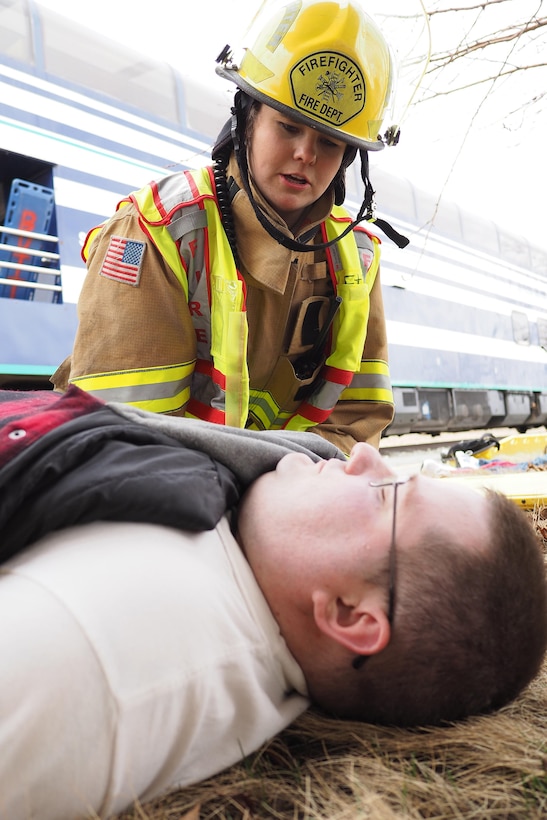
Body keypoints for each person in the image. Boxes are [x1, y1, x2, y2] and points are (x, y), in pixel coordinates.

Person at [0, 385, 546, 820]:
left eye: (390, 493)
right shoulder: (246, 563)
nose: (361, 455)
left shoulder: (99, 652)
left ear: (349, 614)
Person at [51, 0, 418, 455]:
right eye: (288, 127)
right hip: (156, 496)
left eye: (329, 142)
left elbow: (356, 425)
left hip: (290, 496)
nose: (306, 154)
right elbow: (121, 436)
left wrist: (286, 488)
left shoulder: (357, 257)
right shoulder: (154, 231)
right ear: (246, 120)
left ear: (349, 159)